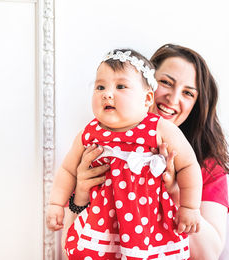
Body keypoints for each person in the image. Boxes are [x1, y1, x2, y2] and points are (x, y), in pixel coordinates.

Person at [68, 44, 229, 260]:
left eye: (187, 93)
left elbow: (208, 254)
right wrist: (80, 195)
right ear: (143, 83)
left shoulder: (205, 165)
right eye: (165, 83)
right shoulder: (101, 146)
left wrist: (177, 194)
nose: (173, 99)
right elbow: (71, 247)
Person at [46, 48, 203, 259]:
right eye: (100, 86)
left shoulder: (158, 128)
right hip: (102, 221)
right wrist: (56, 203)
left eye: (121, 86)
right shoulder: (90, 133)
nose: (107, 93)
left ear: (147, 99)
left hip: (147, 224)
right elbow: (67, 169)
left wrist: (189, 207)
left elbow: (188, 165)